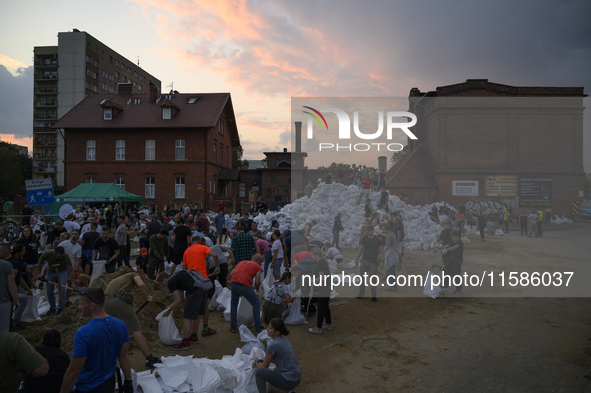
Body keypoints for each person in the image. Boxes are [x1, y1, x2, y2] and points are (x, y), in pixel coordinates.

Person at [60, 287, 133, 393]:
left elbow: (74, 371)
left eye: (81, 304)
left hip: (89, 387)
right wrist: (128, 381)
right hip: (109, 382)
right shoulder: (120, 325)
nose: (79, 307)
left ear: (93, 306)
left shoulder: (83, 333)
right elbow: (124, 357)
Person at [104, 271, 161, 366]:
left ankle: (105, 358)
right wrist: (147, 297)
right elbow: (141, 284)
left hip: (105, 303)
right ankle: (149, 358)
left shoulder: (116, 280)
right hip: (119, 301)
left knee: (110, 330)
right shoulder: (133, 274)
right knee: (136, 331)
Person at [157, 266, 214, 350]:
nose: (163, 286)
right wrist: (171, 305)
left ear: (164, 280)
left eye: (161, 284)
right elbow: (181, 296)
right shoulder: (177, 275)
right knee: (196, 314)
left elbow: (178, 300)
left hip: (194, 291)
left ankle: (186, 342)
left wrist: (169, 310)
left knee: (187, 317)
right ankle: (194, 336)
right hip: (202, 289)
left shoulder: (170, 282)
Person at [253, 318, 301, 393]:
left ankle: (289, 388)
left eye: (270, 328)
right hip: (296, 378)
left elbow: (264, 366)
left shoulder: (273, 345)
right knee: (276, 369)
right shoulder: (285, 340)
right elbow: (281, 359)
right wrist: (264, 360)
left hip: (288, 382)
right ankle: (291, 390)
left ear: (277, 332)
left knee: (259, 372)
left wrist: (255, 364)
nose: (267, 329)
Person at [229, 253, 264, 334]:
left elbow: (231, 274)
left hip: (234, 283)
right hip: (243, 285)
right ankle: (258, 327)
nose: (261, 264)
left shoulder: (241, 262)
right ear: (257, 260)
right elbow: (257, 281)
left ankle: (233, 326)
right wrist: (257, 289)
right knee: (256, 304)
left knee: (234, 304)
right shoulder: (257, 266)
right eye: (261, 262)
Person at [39, 246, 75, 315]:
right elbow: (40, 262)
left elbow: (71, 270)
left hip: (62, 271)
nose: (61, 258)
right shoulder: (47, 253)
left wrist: (73, 283)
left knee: (61, 289)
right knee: (49, 290)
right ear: (54, 254)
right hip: (51, 271)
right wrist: (39, 274)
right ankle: (52, 308)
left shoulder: (66, 256)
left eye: (62, 256)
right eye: (59, 257)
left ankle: (61, 309)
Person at [355, 225, 383, 302]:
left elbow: (382, 250)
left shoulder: (377, 240)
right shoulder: (364, 238)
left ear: (373, 230)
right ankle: (361, 292)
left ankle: (373, 294)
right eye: (367, 230)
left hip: (373, 261)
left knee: (373, 278)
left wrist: (382, 260)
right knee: (362, 277)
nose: (368, 232)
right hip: (364, 260)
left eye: (369, 230)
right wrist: (357, 258)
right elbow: (361, 249)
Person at [308, 247, 332, 334]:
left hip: (324, 288)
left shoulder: (320, 263)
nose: (311, 257)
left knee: (321, 307)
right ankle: (328, 324)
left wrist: (311, 281)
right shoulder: (322, 262)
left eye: (312, 255)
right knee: (325, 306)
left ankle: (318, 328)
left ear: (317, 255)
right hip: (327, 287)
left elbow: (321, 277)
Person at [9, 244, 32, 330]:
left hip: (23, 281)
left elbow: (26, 271)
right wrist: (28, 289)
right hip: (16, 283)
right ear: (17, 252)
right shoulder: (14, 262)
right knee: (23, 300)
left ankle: (14, 321)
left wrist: (31, 282)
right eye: (23, 250)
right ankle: (15, 322)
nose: (25, 251)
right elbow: (18, 278)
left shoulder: (22, 259)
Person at [0, 244, 19, 332]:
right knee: (4, 329)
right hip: (3, 302)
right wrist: (15, 300)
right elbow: (12, 285)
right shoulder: (6, 265)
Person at [441, 230, 464, 295]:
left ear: (457, 236)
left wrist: (446, 250)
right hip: (452, 259)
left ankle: (458, 289)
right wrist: (440, 247)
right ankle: (446, 284)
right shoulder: (453, 241)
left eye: (453, 237)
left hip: (457, 260)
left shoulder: (460, 242)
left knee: (456, 274)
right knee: (445, 269)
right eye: (452, 237)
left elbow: (454, 248)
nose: (452, 238)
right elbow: (447, 245)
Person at [382, 222, 399, 292]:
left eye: (383, 229)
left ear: (386, 229)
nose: (382, 230)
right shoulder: (391, 234)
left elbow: (387, 246)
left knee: (390, 270)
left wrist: (382, 253)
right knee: (391, 270)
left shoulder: (389, 236)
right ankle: (393, 284)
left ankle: (392, 286)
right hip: (393, 253)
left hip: (391, 254)